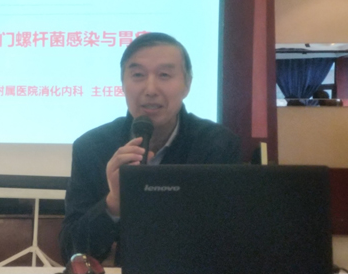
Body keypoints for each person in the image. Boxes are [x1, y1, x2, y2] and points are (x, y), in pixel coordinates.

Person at [59, 32, 241, 265]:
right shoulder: (92, 147)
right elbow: (71, 252)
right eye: (138, 75)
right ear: (122, 83)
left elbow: (231, 242)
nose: (150, 89)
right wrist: (113, 203)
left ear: (187, 84)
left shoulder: (217, 145)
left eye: (164, 75)